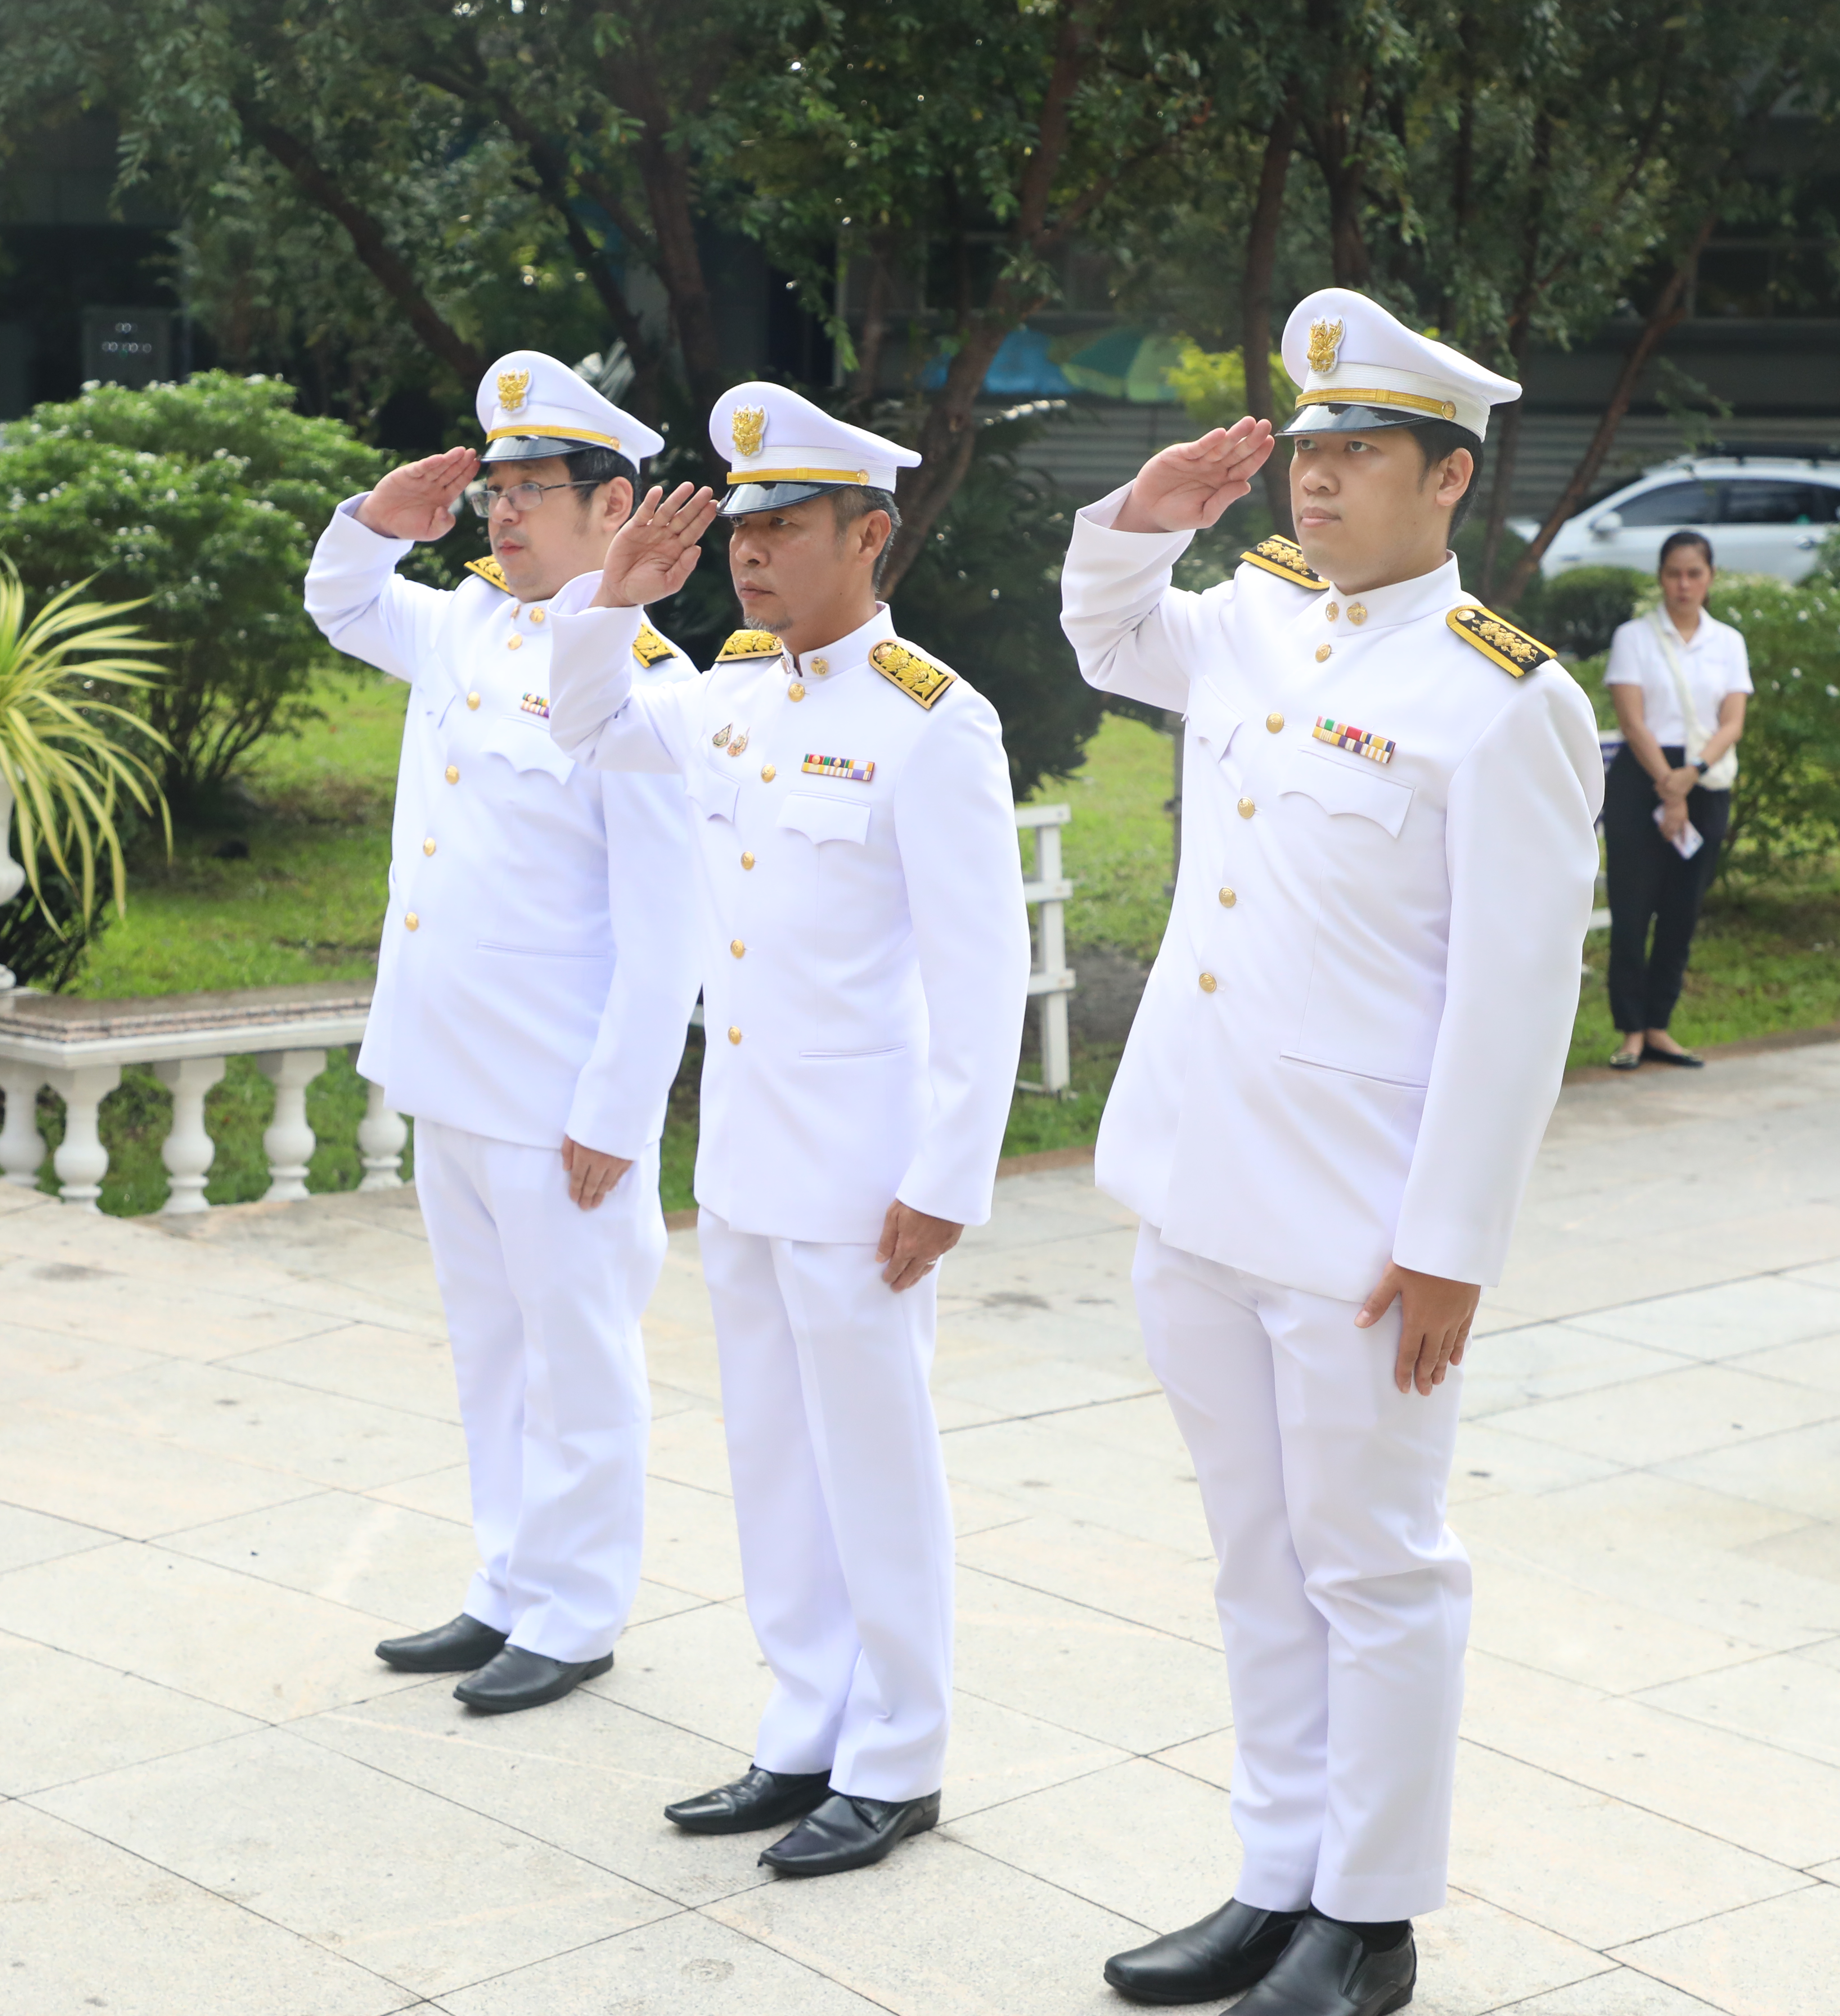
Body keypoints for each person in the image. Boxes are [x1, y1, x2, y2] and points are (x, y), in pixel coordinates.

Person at [1057, 289, 1601, 2015]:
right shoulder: (1254, 624)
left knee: (1375, 1564)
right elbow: (1107, 640)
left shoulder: (1501, 702)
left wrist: (1454, 1242)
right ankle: (1273, 1873)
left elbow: (1515, 1007)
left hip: (1365, 1224)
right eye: (1308, 451)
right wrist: (1143, 522)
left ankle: (1366, 1921)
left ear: (1448, 479)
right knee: (1254, 1556)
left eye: (1361, 452)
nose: (1319, 481)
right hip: (1199, 1184)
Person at [545, 383, 1028, 1876]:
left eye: (786, 527)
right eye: (742, 528)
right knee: (773, 1456)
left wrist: (948, 1175)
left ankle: (896, 1758)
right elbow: (588, 726)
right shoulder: (734, 697)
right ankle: (804, 1726)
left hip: (865, 1170)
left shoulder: (934, 725)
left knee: (874, 1468)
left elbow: (980, 973)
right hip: (750, 1163)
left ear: (869, 534)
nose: (751, 555)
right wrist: (605, 602)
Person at [301, 351, 705, 1714]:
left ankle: (577, 1610)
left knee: (579, 1351)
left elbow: (666, 927)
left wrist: (618, 1108)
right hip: (445, 1062)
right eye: (499, 492)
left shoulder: (647, 681)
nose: (507, 516)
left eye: (538, 491)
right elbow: (338, 601)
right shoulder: (464, 625)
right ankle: (507, 1581)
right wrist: (376, 518)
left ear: (616, 509)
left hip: (556, 1089)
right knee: (491, 1344)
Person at [1601, 530, 1751, 1069]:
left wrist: (1691, 776)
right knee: (1633, 909)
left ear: (1710, 579)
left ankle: (1661, 1026)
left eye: (1694, 574)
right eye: (1673, 574)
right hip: (1643, 778)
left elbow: (1732, 721)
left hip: (1704, 778)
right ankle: (1631, 1032)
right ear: (1661, 577)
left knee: (1682, 911)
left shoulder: (1728, 642)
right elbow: (1632, 720)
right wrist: (1669, 782)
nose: (1684, 585)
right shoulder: (1634, 638)